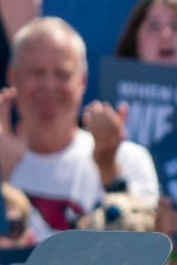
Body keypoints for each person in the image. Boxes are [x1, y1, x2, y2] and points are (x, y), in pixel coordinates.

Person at [1, 17, 159, 239]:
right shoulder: (3, 161)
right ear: (13, 77)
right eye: (37, 72)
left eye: (62, 74)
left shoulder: (128, 158)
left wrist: (109, 168)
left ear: (82, 81)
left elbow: (144, 248)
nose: (49, 85)